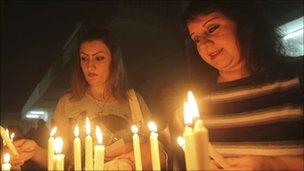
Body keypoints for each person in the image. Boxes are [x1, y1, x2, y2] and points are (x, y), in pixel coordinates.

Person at [9, 26, 168, 170]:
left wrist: (131, 152)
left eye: (99, 58)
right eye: (84, 58)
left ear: (113, 60)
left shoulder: (133, 100)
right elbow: (59, 159)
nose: (90, 66)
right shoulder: (68, 102)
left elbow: (157, 149)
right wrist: (36, 152)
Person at [171, 1, 303, 170]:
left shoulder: (296, 77)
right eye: (196, 38)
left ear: (244, 24)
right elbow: (167, 149)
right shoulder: (195, 102)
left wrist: (275, 165)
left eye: (212, 28)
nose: (203, 43)